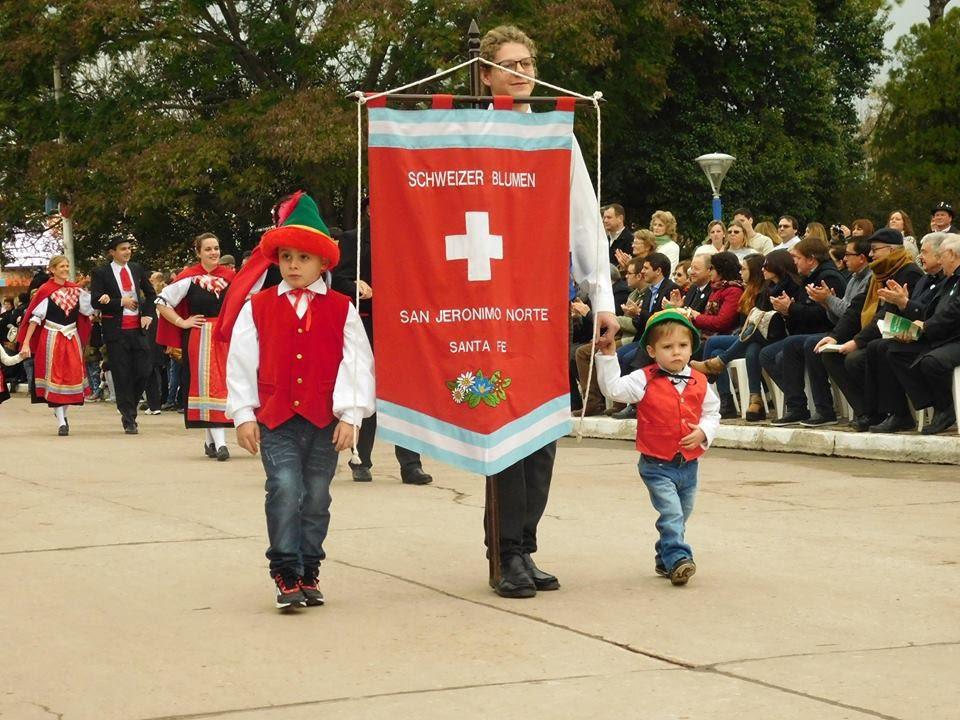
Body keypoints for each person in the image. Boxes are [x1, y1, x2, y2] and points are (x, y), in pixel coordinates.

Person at [478, 24, 617, 599]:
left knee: (541, 431)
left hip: (544, 302)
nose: (521, 72)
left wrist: (602, 298)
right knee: (501, 428)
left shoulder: (557, 134)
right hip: (486, 302)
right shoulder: (463, 132)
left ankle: (525, 545)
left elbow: (583, 222)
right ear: (486, 74)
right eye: (508, 64)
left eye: (528, 62)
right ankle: (505, 551)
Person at [225, 192, 375, 610]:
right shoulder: (258, 307)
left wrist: (350, 416)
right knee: (284, 487)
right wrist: (242, 414)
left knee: (317, 495)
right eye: (287, 257)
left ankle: (310, 566)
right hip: (275, 419)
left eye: (303, 258)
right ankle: (286, 569)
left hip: (323, 420)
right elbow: (240, 363)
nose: (293, 265)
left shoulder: (342, 309)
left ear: (323, 263)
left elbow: (357, 364)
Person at [596, 309, 720, 585]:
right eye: (667, 347)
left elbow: (713, 413)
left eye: (683, 346)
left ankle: (664, 559)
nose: (676, 352)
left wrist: (703, 432)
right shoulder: (644, 378)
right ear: (652, 351)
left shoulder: (700, 381)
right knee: (671, 513)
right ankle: (679, 558)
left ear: (692, 347)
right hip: (656, 464)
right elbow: (613, 390)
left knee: (681, 515)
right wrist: (607, 356)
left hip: (689, 464)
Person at [331, 201, 434, 485]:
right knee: (368, 388)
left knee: (405, 393)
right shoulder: (352, 239)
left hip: (403, 325)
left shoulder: (410, 238)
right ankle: (361, 459)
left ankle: (411, 464)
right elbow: (337, 279)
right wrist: (356, 286)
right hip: (368, 324)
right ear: (369, 210)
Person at [814, 228, 924, 431]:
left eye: (875, 250)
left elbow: (885, 316)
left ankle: (894, 413)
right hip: (875, 335)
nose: (871, 255)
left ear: (891, 250)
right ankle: (866, 412)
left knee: (858, 357)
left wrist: (856, 342)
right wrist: (835, 337)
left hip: (897, 336)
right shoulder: (878, 274)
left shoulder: (908, 272)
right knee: (829, 355)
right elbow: (857, 308)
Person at [156, 233, 237, 460]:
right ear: (198, 252)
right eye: (208, 249)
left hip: (223, 338)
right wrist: (182, 322)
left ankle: (210, 441)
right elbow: (162, 302)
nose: (214, 252)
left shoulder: (231, 277)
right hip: (199, 338)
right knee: (206, 386)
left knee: (223, 385)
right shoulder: (188, 278)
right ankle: (221, 444)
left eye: (216, 248)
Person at [693, 252, 798, 420]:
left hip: (774, 336)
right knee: (747, 349)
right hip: (754, 339)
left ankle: (709, 385)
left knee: (713, 343)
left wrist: (696, 316)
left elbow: (725, 322)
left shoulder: (753, 290)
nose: (740, 272)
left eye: (744, 269)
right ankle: (741, 402)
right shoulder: (760, 289)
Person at [759, 237, 848, 426]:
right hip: (805, 332)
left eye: (797, 257)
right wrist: (787, 311)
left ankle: (823, 408)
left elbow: (824, 316)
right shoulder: (807, 278)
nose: (794, 262)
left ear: (811, 259)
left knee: (799, 347)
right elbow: (800, 315)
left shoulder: (828, 278)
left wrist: (791, 309)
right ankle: (798, 404)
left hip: (828, 332)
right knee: (766, 354)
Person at [886, 233, 960, 435]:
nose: (941, 258)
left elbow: (953, 313)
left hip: (954, 338)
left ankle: (945, 408)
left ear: (952, 254)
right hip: (942, 336)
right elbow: (933, 309)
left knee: (931, 361)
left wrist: (924, 327)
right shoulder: (949, 280)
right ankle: (929, 403)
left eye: (942, 254)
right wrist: (914, 324)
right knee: (897, 351)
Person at [16, 255, 95, 435]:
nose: (65, 269)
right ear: (52, 269)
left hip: (71, 337)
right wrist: (26, 343)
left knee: (71, 376)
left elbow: (88, 308)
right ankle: (61, 421)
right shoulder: (45, 290)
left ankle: (62, 415)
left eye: (67, 266)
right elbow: (35, 319)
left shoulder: (76, 290)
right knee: (56, 377)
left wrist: (103, 299)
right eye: (61, 266)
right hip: (52, 336)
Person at [90, 238, 157, 434]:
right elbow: (96, 301)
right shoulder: (101, 272)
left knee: (144, 370)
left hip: (138, 329)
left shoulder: (136, 269)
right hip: (116, 332)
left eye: (129, 248)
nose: (127, 252)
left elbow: (151, 294)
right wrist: (120, 302)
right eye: (123, 249)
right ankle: (129, 417)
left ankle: (131, 405)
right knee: (122, 374)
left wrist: (147, 314)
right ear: (112, 252)